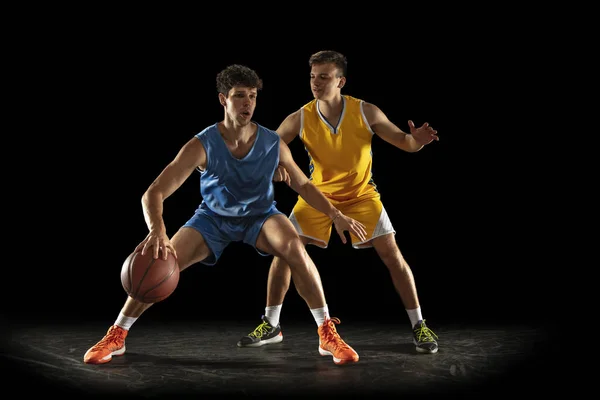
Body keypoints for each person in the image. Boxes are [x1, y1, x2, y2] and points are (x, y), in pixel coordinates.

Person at [83, 64, 369, 366]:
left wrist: (336, 213)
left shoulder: (272, 142)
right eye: (239, 96)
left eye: (253, 96)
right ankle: (116, 334)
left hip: (260, 217)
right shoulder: (202, 143)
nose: (247, 103)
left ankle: (326, 333)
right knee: (158, 261)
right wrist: (157, 230)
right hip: (212, 220)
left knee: (294, 247)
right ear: (223, 99)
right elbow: (153, 192)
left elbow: (304, 185)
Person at [238, 50, 440, 354]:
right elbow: (267, 151)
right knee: (286, 250)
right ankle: (272, 324)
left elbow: (404, 142)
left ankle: (419, 325)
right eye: (312, 77)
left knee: (392, 254)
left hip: (361, 195)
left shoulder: (366, 111)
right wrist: (272, 167)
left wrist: (418, 143)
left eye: (324, 77)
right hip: (318, 196)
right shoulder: (300, 117)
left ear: (341, 80)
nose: (316, 83)